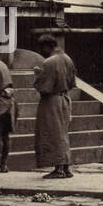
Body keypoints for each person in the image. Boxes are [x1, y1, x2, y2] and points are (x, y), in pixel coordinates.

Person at [33, 34, 77, 179]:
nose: (41, 51)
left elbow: (43, 87)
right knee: (62, 133)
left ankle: (59, 168)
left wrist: (39, 74)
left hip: (52, 100)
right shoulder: (67, 58)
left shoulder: (49, 62)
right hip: (64, 97)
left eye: (42, 48)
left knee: (54, 133)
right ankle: (65, 167)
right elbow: (71, 82)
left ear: (47, 46)